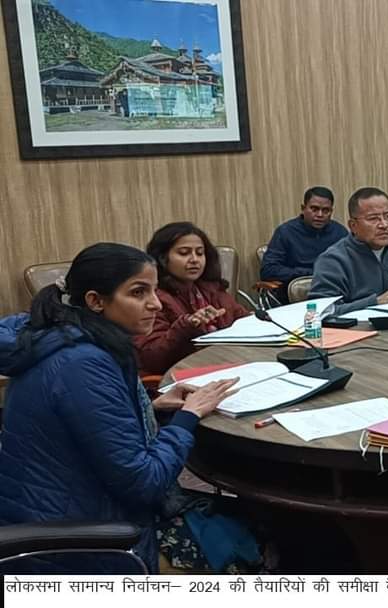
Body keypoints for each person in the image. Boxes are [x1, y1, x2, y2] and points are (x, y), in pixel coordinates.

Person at [0, 243, 241, 572]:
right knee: (263, 537)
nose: (156, 304)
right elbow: (145, 483)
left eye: (154, 290)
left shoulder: (66, 339)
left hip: (68, 510)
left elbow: (89, 430)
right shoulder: (82, 363)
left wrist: (151, 409)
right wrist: (188, 416)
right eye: (138, 292)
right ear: (95, 301)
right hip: (80, 549)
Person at [135, 223, 249, 375]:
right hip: (182, 375)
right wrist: (186, 325)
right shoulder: (154, 299)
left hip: (226, 362)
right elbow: (153, 359)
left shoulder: (211, 288)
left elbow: (243, 319)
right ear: (162, 258)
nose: (195, 260)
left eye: (200, 253)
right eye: (184, 253)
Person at [310, 187, 388, 314]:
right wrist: (375, 302)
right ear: (353, 226)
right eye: (373, 219)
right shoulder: (333, 260)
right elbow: (322, 311)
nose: (384, 225)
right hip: (360, 325)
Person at [260, 186, 348, 304]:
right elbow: (268, 270)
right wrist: (308, 273)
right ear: (303, 209)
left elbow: (351, 266)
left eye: (326, 210)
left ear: (331, 211)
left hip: (334, 296)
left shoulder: (339, 232)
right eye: (314, 209)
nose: (320, 214)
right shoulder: (286, 232)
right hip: (292, 300)